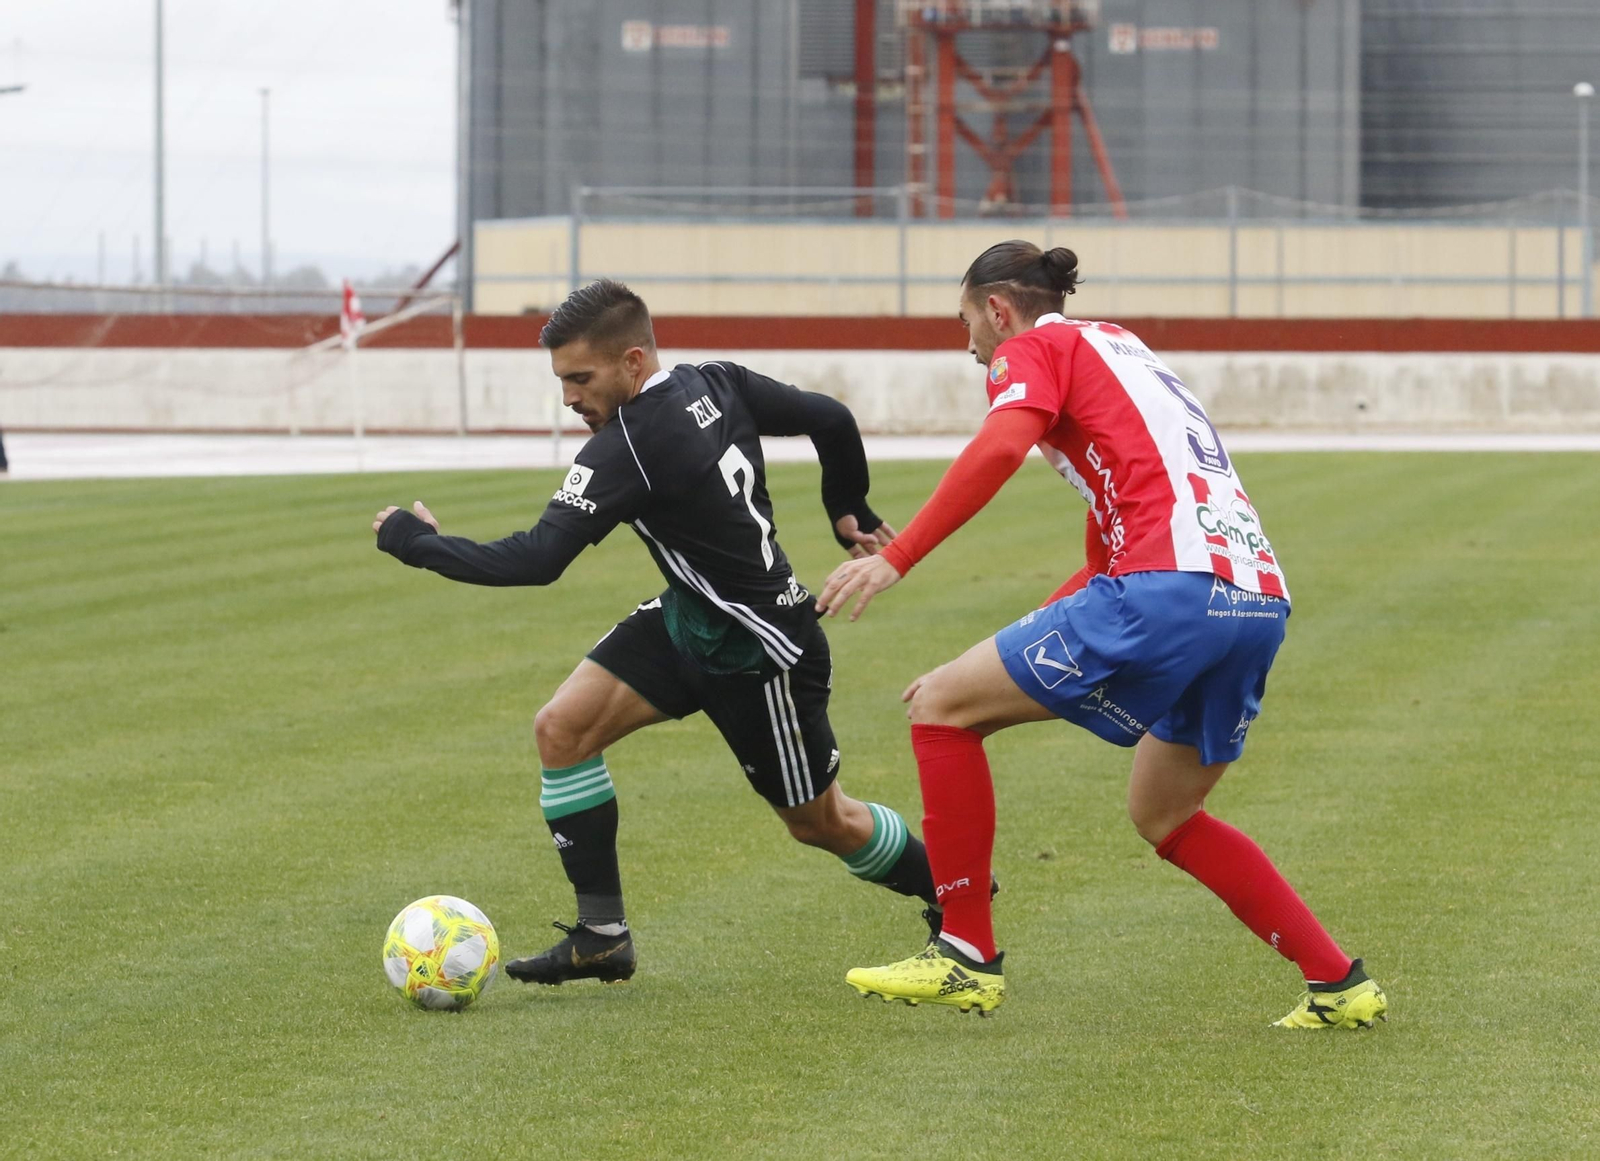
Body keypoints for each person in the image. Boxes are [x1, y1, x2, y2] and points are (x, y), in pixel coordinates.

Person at [817, 241, 1387, 1029]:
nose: (970, 347)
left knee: (941, 708)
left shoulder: (1031, 347)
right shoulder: (1123, 348)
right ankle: (1338, 981)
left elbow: (1002, 444)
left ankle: (965, 955)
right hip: (1254, 597)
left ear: (997, 308)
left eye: (966, 323)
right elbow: (1106, 546)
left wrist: (899, 557)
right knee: (1166, 814)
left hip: (1170, 590)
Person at [373, 278, 947, 987]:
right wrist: (847, 502)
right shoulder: (718, 380)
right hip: (690, 617)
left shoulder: (630, 446)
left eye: (580, 378)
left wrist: (414, 542)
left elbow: (535, 560)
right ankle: (602, 938)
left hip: (760, 652)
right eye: (560, 379)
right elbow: (829, 416)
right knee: (562, 729)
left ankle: (958, 900)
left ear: (633, 361)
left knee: (822, 821)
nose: (568, 398)